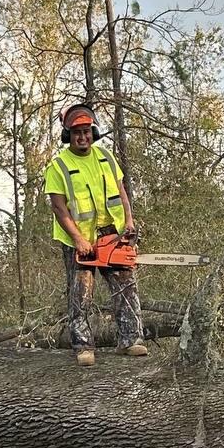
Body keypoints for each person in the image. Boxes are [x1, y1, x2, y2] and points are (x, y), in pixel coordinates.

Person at [44, 104, 147, 367]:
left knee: (125, 286)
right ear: (69, 135)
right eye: (77, 132)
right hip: (80, 240)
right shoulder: (59, 166)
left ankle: (131, 340)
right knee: (81, 293)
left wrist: (129, 221)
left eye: (87, 131)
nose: (83, 137)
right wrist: (78, 239)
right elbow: (58, 206)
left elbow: (121, 191)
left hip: (112, 234)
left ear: (94, 132)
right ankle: (83, 346)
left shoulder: (106, 158)